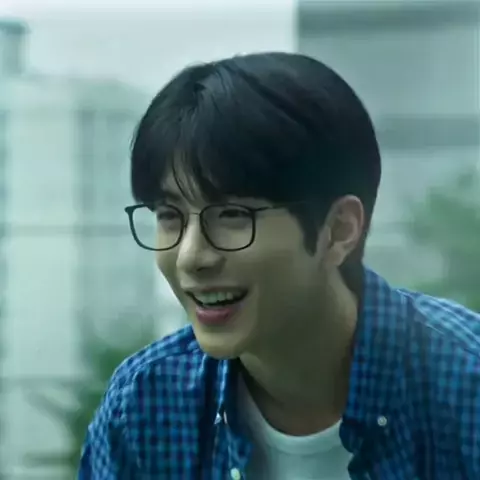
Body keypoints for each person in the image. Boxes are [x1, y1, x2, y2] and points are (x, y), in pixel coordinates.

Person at [78, 52, 480, 479]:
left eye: (232, 216)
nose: (191, 257)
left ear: (339, 230)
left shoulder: (465, 388)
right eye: (169, 216)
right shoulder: (145, 406)